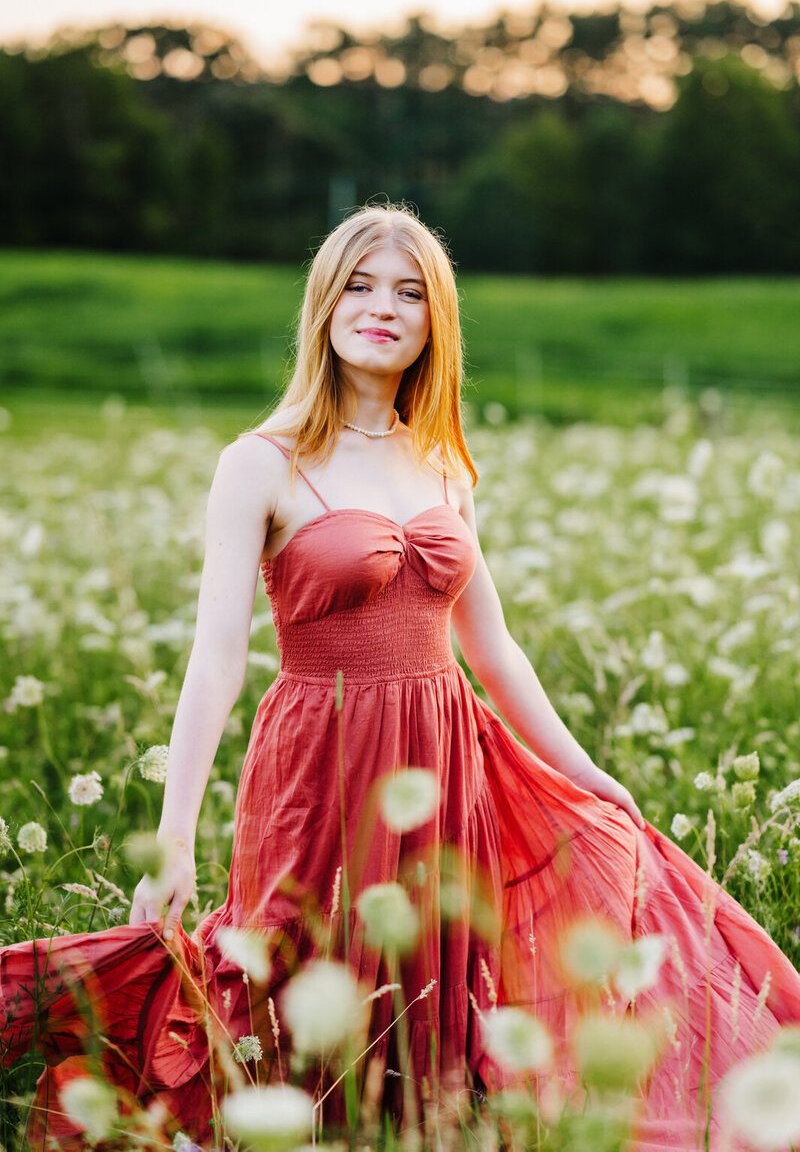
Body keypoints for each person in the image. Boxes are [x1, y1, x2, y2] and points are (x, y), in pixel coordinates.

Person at [2, 202, 799, 1151]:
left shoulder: (445, 465)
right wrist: (174, 834)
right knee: (301, 980)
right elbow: (214, 657)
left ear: (436, 321)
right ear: (326, 306)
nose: (384, 307)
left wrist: (587, 772)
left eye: (411, 292)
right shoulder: (259, 463)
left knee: (429, 982)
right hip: (321, 756)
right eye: (362, 286)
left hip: (446, 756)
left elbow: (492, 647)